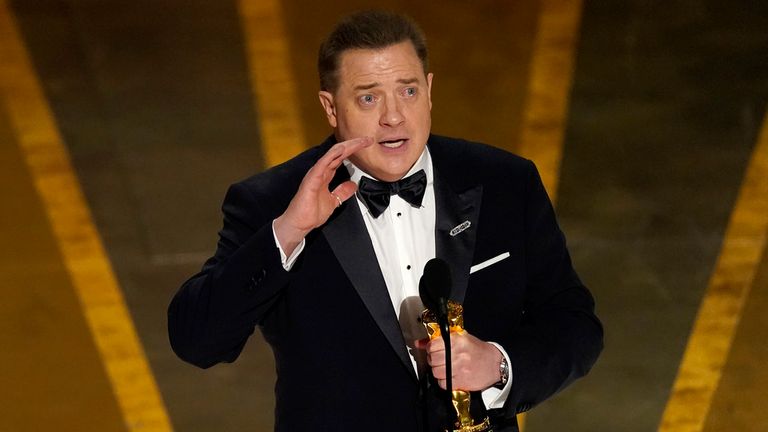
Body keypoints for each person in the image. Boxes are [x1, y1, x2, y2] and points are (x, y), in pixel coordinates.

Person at [168, 10, 602, 432]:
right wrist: (288, 232)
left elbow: (575, 324)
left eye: (408, 91)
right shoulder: (272, 203)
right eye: (369, 97)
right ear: (331, 108)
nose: (394, 116)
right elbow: (197, 341)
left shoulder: (505, 182)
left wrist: (499, 365)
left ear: (430, 91)